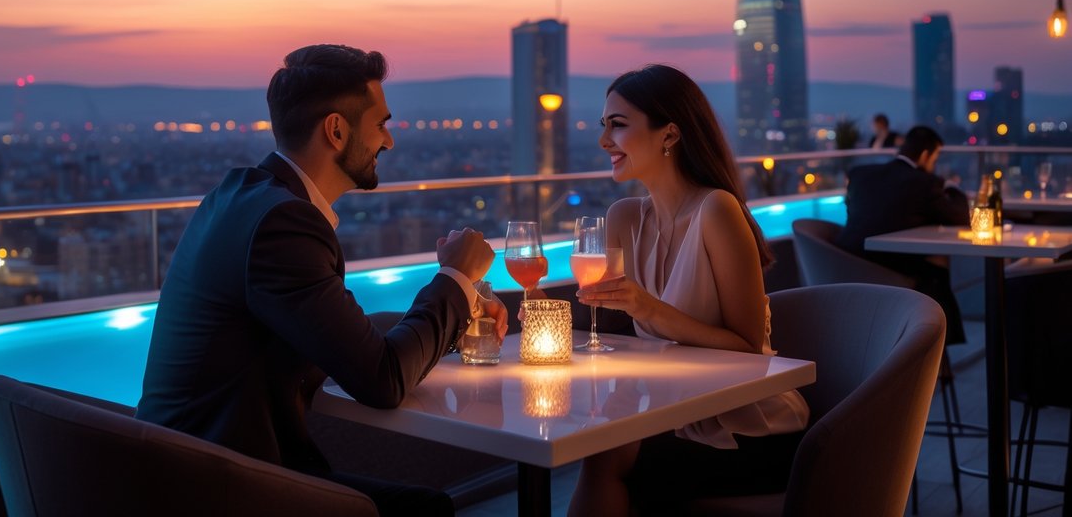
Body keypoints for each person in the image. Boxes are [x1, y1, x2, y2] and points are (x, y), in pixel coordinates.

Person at [136, 44, 506, 517]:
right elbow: (382, 381)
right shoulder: (284, 225)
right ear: (336, 130)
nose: (389, 142)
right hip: (216, 486)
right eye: (381, 124)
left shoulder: (241, 196)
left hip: (178, 466)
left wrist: (461, 305)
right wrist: (455, 275)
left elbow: (338, 333)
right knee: (424, 509)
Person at [567, 65, 809, 517]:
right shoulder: (624, 218)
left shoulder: (716, 210)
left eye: (617, 125)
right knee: (601, 441)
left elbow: (749, 351)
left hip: (749, 425)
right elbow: (604, 324)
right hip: (672, 414)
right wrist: (542, 309)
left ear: (670, 135)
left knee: (604, 456)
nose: (603, 141)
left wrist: (649, 309)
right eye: (604, 126)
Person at [837, 124, 968, 344]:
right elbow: (961, 217)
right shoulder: (926, 183)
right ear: (926, 156)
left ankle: (933, 350)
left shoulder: (860, 174)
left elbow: (853, 209)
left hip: (841, 265)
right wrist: (951, 185)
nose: (934, 166)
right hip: (886, 270)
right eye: (935, 160)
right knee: (936, 271)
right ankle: (938, 348)